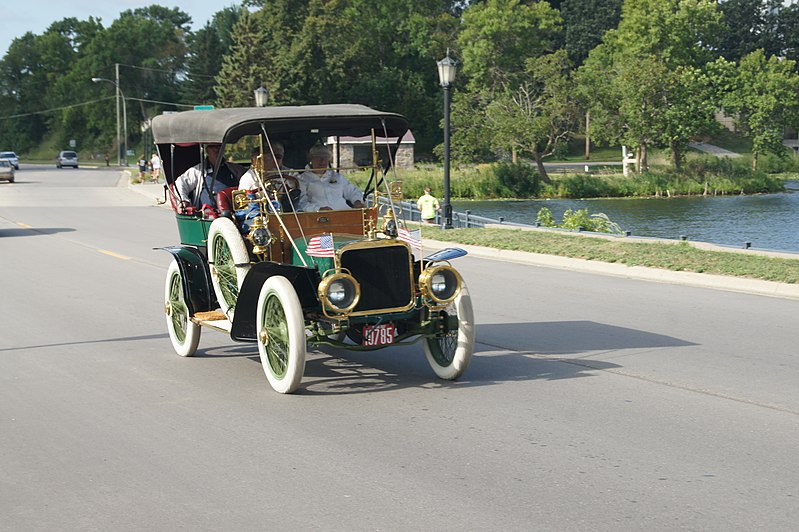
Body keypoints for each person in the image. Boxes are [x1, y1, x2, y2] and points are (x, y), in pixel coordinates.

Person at [175, 144, 246, 212]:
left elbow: (250, 177)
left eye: (219, 146)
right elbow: (180, 183)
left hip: (234, 212)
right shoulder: (198, 171)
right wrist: (184, 200)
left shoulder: (234, 169)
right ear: (207, 150)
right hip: (208, 214)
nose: (217, 149)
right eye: (214, 147)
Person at [298, 143, 363, 211]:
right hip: (319, 217)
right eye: (318, 157)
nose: (322, 161)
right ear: (311, 159)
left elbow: (352, 191)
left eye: (325, 157)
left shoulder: (337, 177)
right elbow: (301, 203)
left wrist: (357, 201)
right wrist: (318, 209)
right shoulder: (302, 179)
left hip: (344, 213)